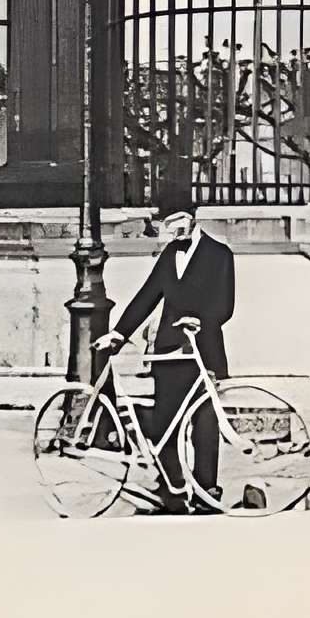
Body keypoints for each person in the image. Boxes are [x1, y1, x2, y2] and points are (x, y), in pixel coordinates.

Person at [97, 188, 235, 513]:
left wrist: (200, 319)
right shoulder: (170, 255)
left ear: (192, 218)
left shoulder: (220, 254)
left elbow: (225, 304)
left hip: (205, 352)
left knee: (204, 423)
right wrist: (119, 333)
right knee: (166, 422)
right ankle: (172, 489)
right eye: (167, 223)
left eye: (177, 221)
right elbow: (147, 297)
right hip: (170, 353)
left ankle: (206, 493)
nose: (173, 229)